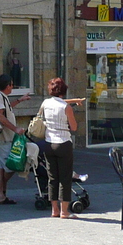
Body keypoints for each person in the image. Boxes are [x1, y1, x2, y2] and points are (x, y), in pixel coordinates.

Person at [40, 77, 83, 219]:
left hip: (48, 142)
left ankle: (54, 210)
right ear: (64, 91)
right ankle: (64, 211)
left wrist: (74, 100)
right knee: (65, 178)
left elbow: (47, 110)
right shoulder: (66, 107)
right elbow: (74, 127)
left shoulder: (46, 103)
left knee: (52, 178)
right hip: (63, 143)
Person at [0, 74, 27, 205]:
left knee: (0, 166)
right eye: (11, 85)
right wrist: (15, 129)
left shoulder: (2, 97)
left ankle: (1, 195)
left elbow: (7, 108)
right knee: (12, 165)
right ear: (7, 85)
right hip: (2, 138)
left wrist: (20, 100)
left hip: (5, 138)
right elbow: (0, 115)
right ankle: (1, 190)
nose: (12, 87)